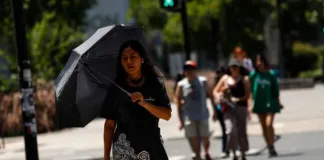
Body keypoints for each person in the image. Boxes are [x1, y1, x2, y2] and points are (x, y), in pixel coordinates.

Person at [101, 40, 172, 160]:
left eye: (133, 56)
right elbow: (109, 125)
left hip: (151, 146)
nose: (129, 61)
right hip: (124, 150)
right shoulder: (116, 88)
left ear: (142, 59)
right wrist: (106, 156)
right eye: (124, 58)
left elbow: (167, 115)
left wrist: (144, 103)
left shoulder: (155, 84)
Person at [175, 60, 215, 160]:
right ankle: (197, 155)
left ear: (195, 70)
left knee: (205, 139)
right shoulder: (181, 85)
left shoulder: (203, 81)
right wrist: (180, 120)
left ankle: (206, 151)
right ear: (184, 71)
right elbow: (178, 103)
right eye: (187, 69)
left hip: (202, 115)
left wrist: (215, 111)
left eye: (191, 69)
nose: (189, 71)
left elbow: (211, 96)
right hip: (189, 116)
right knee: (194, 142)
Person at [213, 59, 250, 160]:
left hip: (241, 107)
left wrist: (238, 99)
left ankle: (242, 152)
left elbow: (247, 95)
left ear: (239, 68)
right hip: (228, 108)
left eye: (235, 67)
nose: (233, 69)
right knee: (230, 130)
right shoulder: (225, 78)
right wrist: (219, 96)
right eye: (231, 67)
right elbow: (215, 91)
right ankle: (234, 152)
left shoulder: (244, 79)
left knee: (241, 131)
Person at [249, 55, 281, 157]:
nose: (258, 63)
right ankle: (270, 147)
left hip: (270, 102)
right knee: (263, 126)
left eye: (260, 61)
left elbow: (275, 89)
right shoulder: (254, 75)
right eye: (257, 61)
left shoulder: (270, 74)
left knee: (269, 124)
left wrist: (279, 101)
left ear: (264, 62)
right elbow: (250, 90)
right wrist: (249, 104)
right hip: (259, 103)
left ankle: (271, 143)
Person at [214, 67, 230, 158]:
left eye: (221, 73)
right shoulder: (217, 84)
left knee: (229, 130)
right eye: (218, 73)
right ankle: (225, 149)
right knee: (224, 130)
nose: (219, 75)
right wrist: (214, 112)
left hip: (229, 109)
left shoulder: (228, 81)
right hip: (220, 109)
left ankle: (230, 148)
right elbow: (214, 97)